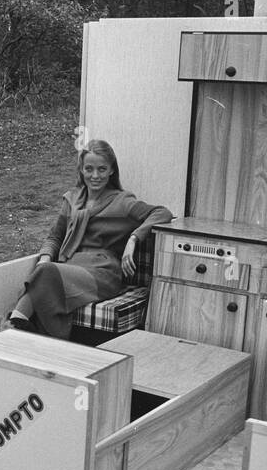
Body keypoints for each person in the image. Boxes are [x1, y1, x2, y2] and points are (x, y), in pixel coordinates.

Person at [9, 139, 173, 339]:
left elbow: (162, 213)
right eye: (89, 169)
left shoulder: (122, 201)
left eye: (102, 169)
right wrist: (44, 259)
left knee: (47, 273)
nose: (95, 175)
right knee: (45, 270)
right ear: (81, 170)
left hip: (102, 273)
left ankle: (12, 326)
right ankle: (20, 326)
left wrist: (133, 239)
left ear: (112, 170)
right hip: (72, 266)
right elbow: (55, 236)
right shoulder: (71, 199)